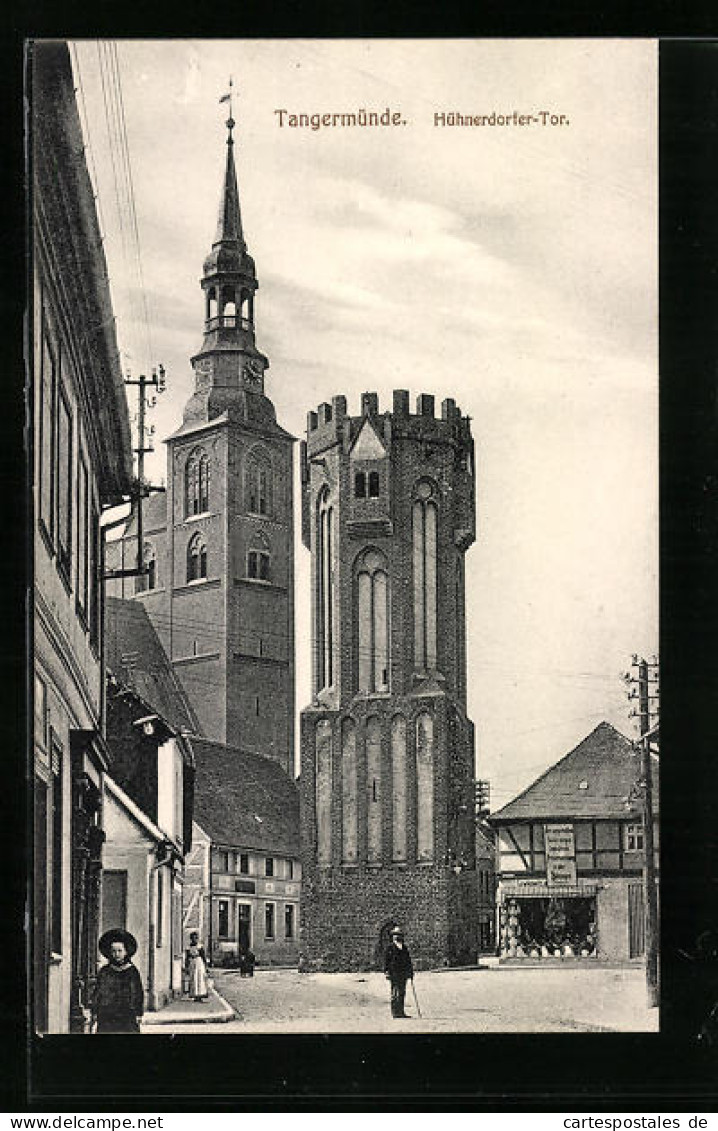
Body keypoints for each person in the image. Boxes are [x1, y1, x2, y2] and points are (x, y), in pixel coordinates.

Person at [91, 929, 144, 1033]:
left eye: (120, 951)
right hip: (107, 1015)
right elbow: (98, 992)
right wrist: (94, 1011)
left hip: (127, 1014)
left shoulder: (132, 971)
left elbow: (138, 993)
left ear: (126, 952)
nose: (117, 954)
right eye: (114, 951)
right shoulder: (105, 971)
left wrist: (138, 1013)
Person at [384, 926, 414, 1018]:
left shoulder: (404, 948)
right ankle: (395, 1012)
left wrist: (410, 972)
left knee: (402, 992)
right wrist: (386, 971)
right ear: (392, 936)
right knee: (394, 993)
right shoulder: (390, 947)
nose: (397, 936)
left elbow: (408, 961)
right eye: (395, 935)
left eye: (399, 935)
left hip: (403, 973)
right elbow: (386, 961)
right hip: (394, 973)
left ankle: (401, 1012)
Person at [184, 932, 209, 1001]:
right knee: (193, 978)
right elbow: (187, 957)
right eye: (193, 938)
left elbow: (203, 957)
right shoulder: (188, 947)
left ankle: (200, 995)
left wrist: (206, 966)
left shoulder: (200, 946)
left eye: (196, 938)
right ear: (191, 939)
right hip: (192, 962)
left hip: (199, 962)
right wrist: (186, 966)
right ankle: (194, 995)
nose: (195, 939)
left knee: (199, 978)